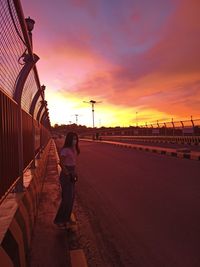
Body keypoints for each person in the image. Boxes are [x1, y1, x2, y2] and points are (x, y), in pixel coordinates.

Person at [54, 132, 80, 228]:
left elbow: (73, 163)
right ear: (69, 140)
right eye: (73, 139)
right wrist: (68, 173)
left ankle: (66, 219)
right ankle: (59, 220)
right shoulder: (65, 150)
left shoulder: (73, 150)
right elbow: (61, 163)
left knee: (71, 198)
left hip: (72, 173)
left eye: (76, 139)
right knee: (67, 199)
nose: (75, 141)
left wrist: (74, 173)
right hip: (66, 175)